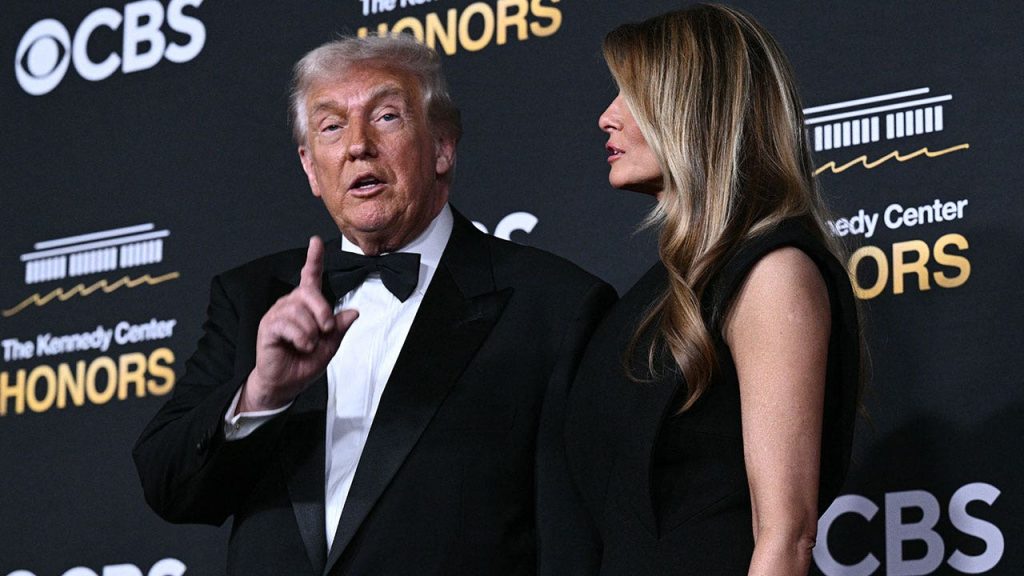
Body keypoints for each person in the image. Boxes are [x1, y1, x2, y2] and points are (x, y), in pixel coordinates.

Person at [133, 34, 615, 576]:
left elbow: (572, 539)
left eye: (386, 117)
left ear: (442, 147)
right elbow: (167, 485)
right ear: (310, 168)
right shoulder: (253, 296)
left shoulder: (553, 306)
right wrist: (260, 394)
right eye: (331, 127)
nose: (357, 146)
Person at [542, 5, 861, 575]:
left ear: (694, 109)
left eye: (631, 95)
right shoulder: (660, 293)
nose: (606, 117)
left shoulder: (772, 272)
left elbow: (785, 536)